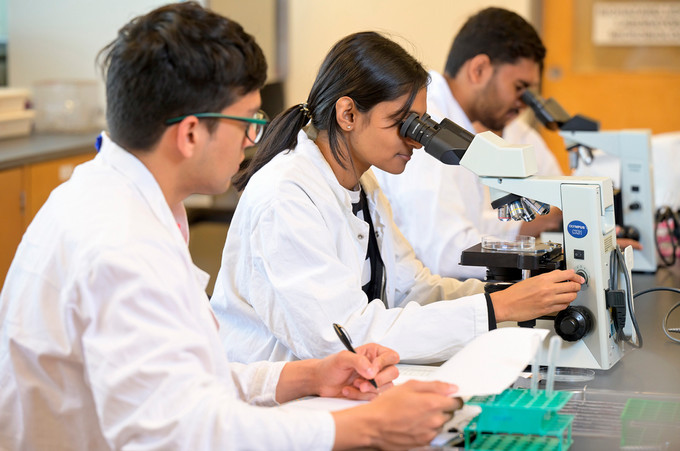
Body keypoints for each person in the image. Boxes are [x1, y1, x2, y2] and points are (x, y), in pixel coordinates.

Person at [0, 4, 464, 450]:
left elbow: (185, 378)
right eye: (247, 122)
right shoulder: (122, 246)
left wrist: (308, 375)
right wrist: (364, 427)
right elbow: (184, 432)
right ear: (189, 134)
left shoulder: (112, 200)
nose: (252, 139)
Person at [210, 31, 584, 366]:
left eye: (420, 123)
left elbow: (410, 289)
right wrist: (497, 307)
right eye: (401, 123)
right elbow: (341, 337)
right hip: (279, 403)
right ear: (348, 114)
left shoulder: (364, 184)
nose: (417, 140)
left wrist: (505, 295)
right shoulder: (286, 195)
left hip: (341, 385)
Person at [374, 7, 564, 281]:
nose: (524, 104)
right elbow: (446, 253)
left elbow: (473, 224)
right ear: (479, 70)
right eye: (519, 88)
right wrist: (555, 261)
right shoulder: (430, 126)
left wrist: (544, 231)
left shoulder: (461, 123)